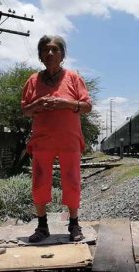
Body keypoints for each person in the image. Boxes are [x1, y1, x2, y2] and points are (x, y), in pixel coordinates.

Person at [21, 35, 92, 242]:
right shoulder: (33, 81)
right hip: (42, 140)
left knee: (71, 181)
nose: (50, 53)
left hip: (69, 140)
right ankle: (42, 226)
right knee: (40, 181)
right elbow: (25, 110)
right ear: (40, 55)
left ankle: (74, 224)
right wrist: (38, 104)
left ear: (62, 55)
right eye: (45, 50)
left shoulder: (73, 78)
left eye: (55, 50)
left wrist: (66, 103)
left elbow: (87, 106)